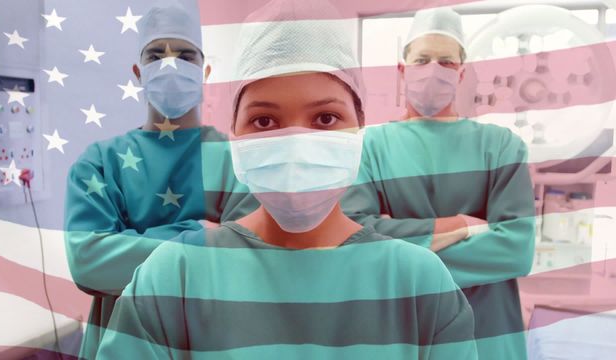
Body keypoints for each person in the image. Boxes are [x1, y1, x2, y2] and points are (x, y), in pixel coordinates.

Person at [96, 1, 477, 358]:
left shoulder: (419, 284)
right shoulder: (174, 277)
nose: (296, 142)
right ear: (235, 134)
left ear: (360, 127)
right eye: (265, 121)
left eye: (325, 118)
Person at [63, 0, 257, 358]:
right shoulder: (99, 163)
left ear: (205, 70)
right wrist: (201, 234)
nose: (171, 64)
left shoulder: (238, 160)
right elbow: (89, 263)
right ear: (138, 71)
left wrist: (130, 242)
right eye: (156, 55)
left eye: (185, 55)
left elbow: (245, 262)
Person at [342, 7, 536, 360]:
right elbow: (357, 238)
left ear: (462, 74)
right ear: (403, 70)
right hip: (406, 331)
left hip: (486, 332)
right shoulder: (369, 146)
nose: (434, 70)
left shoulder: (501, 145)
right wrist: (462, 226)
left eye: (447, 62)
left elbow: (517, 250)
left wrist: (396, 243)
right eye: (423, 59)